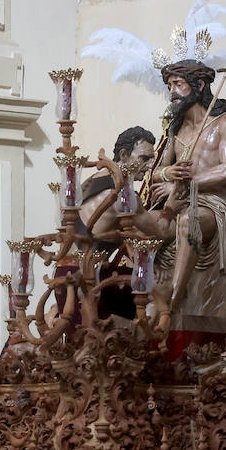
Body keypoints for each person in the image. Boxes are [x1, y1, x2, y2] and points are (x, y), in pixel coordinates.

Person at [135, 61, 226, 356]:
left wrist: (189, 181)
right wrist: (170, 176)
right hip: (184, 201)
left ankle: (172, 301)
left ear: (198, 86)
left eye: (178, 85)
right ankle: (144, 297)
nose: (172, 93)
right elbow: (157, 172)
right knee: (145, 222)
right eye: (169, 86)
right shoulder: (177, 129)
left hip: (219, 205)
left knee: (189, 222)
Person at [63, 125, 157, 321]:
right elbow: (158, 233)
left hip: (65, 271)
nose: (149, 166)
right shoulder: (122, 195)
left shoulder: (95, 180)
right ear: (123, 155)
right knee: (158, 298)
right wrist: (174, 206)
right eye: (144, 158)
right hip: (91, 280)